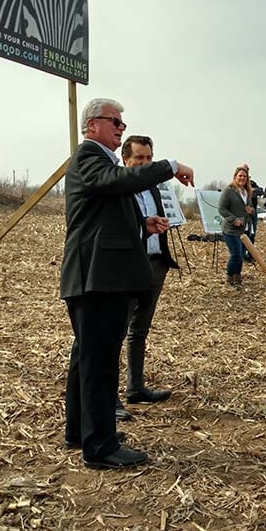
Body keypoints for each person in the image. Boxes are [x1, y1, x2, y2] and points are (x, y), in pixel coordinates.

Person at [60, 98, 194, 470]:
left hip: (99, 277)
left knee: (87, 359)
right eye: (115, 121)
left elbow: (103, 210)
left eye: (122, 123)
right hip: (97, 278)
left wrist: (142, 224)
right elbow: (117, 182)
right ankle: (100, 447)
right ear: (92, 125)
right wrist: (169, 166)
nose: (121, 127)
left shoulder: (99, 162)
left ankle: (80, 432)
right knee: (100, 363)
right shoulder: (90, 156)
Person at [113, 136, 178, 424]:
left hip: (155, 265)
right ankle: (109, 397)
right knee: (116, 333)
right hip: (128, 268)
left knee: (139, 330)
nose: (145, 163)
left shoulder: (152, 188)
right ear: (125, 159)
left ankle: (135, 387)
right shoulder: (117, 188)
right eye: (139, 158)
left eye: (149, 158)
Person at [219, 166, 254, 285]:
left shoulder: (247, 192)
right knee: (236, 254)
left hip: (244, 229)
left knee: (241, 255)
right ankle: (229, 278)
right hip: (231, 229)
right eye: (240, 176)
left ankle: (237, 277)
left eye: (244, 176)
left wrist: (251, 210)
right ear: (235, 177)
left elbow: (251, 208)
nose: (242, 178)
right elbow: (222, 209)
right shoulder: (229, 191)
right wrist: (233, 219)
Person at [241, 163, 263, 261]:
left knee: (252, 234)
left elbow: (260, 191)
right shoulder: (238, 183)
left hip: (252, 212)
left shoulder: (252, 183)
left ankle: (250, 255)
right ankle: (242, 255)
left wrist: (252, 190)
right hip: (242, 213)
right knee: (243, 234)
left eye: (246, 170)